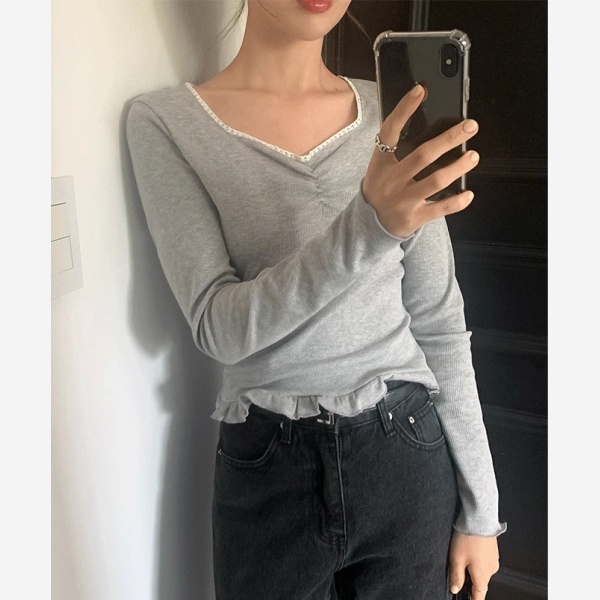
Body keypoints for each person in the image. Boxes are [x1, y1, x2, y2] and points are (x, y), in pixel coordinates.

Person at [125, 1, 506, 598]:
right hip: (268, 469)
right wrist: (368, 225)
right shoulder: (166, 122)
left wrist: (482, 510)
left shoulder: (394, 113)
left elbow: (439, 322)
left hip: (404, 449)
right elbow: (217, 327)